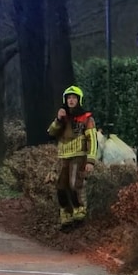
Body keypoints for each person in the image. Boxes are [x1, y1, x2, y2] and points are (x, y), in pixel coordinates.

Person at [47, 85, 99, 230]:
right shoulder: (62, 117)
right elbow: (51, 132)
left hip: (79, 155)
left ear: (79, 100)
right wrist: (58, 119)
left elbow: (92, 140)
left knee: (75, 184)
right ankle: (66, 216)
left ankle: (79, 213)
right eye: (68, 98)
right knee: (61, 187)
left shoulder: (87, 118)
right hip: (63, 157)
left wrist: (90, 160)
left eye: (74, 98)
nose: (71, 100)